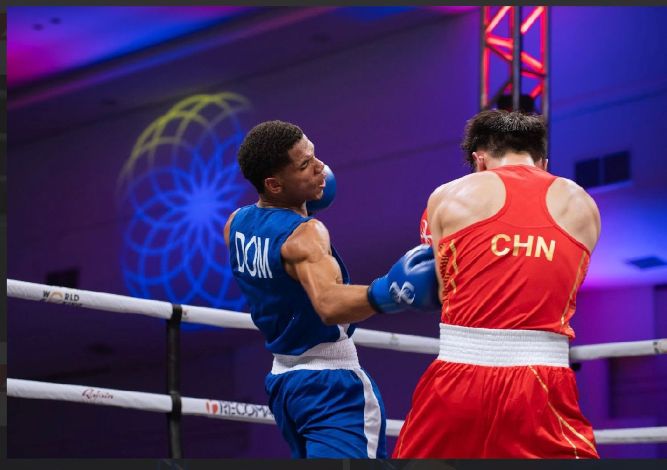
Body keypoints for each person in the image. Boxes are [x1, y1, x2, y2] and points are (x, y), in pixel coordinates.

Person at [223, 120, 439, 458]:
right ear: (274, 184)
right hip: (333, 386)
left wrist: (299, 201)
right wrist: (390, 291)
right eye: (305, 165)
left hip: (284, 383)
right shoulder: (306, 234)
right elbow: (328, 305)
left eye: (314, 156)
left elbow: (278, 273)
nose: (321, 167)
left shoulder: (235, 224)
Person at [393, 109, 601, 459]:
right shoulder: (583, 204)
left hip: (458, 378)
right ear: (544, 162)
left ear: (479, 160)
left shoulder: (448, 196)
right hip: (542, 381)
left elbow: (445, 292)